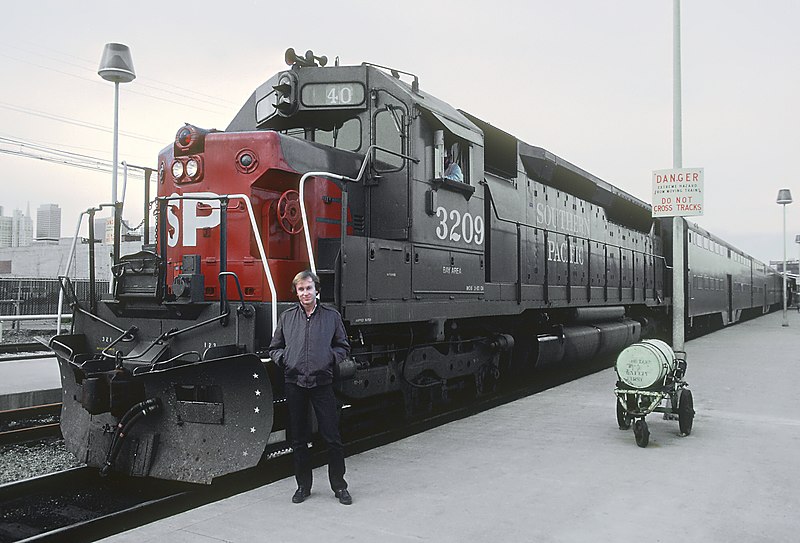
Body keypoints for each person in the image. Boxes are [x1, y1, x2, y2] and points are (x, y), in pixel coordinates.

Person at [268, 270, 353, 505]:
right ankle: (303, 486)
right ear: (296, 292)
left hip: (322, 383)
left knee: (332, 437)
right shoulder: (287, 317)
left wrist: (328, 358)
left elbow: (343, 346)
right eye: (301, 289)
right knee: (298, 438)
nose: (305, 293)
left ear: (317, 290)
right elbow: (274, 347)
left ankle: (339, 486)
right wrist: (285, 360)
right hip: (294, 383)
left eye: (308, 288)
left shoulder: (331, 316)